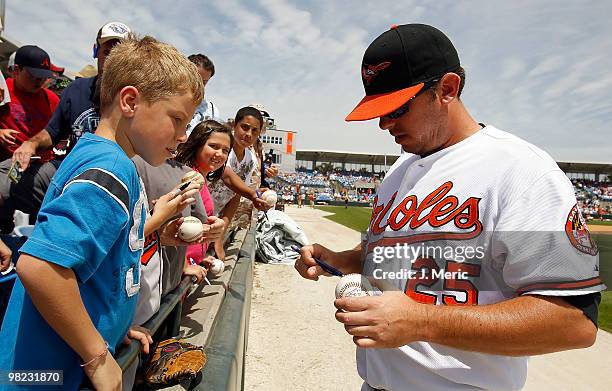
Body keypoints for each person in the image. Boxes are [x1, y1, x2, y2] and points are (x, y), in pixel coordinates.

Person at [294, 24, 604, 391]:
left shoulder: (521, 169)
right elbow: (395, 252)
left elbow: (573, 322)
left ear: (447, 89)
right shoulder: (399, 170)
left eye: (397, 108)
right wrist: (343, 259)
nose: (384, 123)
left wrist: (422, 322)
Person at [0, 35, 205, 390]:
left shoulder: (101, 155)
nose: (184, 135)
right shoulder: (110, 169)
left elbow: (93, 265)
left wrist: (108, 324)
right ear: (130, 101)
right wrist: (96, 355)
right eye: (177, 119)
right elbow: (41, 266)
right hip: (49, 375)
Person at [0, 22, 131, 232]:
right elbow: (52, 133)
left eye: (121, 52)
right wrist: (30, 144)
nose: (114, 57)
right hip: (64, 171)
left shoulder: (137, 100)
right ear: (96, 51)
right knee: (6, 173)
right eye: (108, 51)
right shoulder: (77, 89)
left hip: (106, 185)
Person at [0, 45, 59, 162]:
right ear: (17, 70)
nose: (39, 81)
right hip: (8, 162)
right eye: (33, 76)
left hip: (41, 164)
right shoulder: (3, 90)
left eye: (42, 77)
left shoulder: (51, 99)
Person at [186, 53, 222, 134]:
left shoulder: (211, 110)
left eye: (204, 82)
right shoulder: (165, 98)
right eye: (195, 79)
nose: (199, 85)